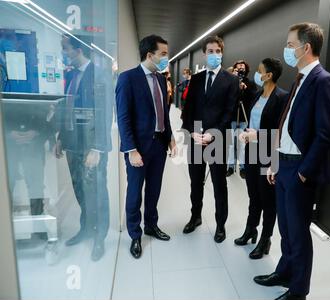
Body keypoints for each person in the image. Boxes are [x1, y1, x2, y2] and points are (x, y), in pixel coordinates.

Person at [254, 23, 330, 300]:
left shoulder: (324, 81)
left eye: (290, 45)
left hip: (300, 170)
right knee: (286, 228)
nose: (287, 49)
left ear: (306, 48)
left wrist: (304, 172)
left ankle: (298, 290)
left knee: (299, 232)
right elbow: (287, 125)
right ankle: (284, 271)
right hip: (283, 164)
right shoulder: (299, 79)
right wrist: (274, 162)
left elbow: (325, 134)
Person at [116, 35, 177, 259]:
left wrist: (170, 138)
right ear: (149, 55)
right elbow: (123, 117)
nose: (166, 58)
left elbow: (164, 112)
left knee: (154, 189)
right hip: (138, 149)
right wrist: (131, 149)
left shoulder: (161, 79)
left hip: (159, 145)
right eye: (163, 54)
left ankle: (151, 224)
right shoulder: (127, 78)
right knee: (134, 192)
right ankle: (135, 234)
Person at [56, 34, 112, 261]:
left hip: (91, 146)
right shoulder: (72, 75)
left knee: (97, 191)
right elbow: (67, 107)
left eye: (66, 48)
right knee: (79, 188)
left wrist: (97, 148)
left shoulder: (99, 75)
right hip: (73, 143)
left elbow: (105, 113)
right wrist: (61, 137)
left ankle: (100, 236)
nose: (64, 53)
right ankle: (87, 227)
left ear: (78, 50)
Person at [181, 35, 239, 243]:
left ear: (222, 52)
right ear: (204, 54)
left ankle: (220, 224)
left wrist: (212, 133)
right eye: (210, 51)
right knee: (195, 182)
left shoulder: (231, 80)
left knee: (218, 183)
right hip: (196, 136)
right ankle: (195, 216)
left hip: (217, 138)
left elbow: (229, 112)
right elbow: (187, 110)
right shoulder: (196, 79)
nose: (214, 55)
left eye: (218, 51)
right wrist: (190, 130)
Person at [236, 58, 288, 259]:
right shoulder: (257, 95)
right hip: (251, 153)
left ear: (269, 75)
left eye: (260, 71)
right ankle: (251, 230)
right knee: (253, 195)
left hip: (267, 156)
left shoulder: (281, 98)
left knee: (267, 199)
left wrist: (256, 135)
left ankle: (265, 239)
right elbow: (254, 122)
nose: (257, 74)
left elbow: (281, 131)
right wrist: (248, 132)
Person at [227, 60, 258, 179]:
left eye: (243, 66)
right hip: (232, 117)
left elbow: (254, 97)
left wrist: (245, 88)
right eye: (238, 66)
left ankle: (242, 167)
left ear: (246, 70)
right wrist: (234, 83)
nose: (240, 68)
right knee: (231, 145)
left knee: (243, 144)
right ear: (234, 68)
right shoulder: (230, 82)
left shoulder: (250, 83)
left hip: (244, 118)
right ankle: (230, 166)